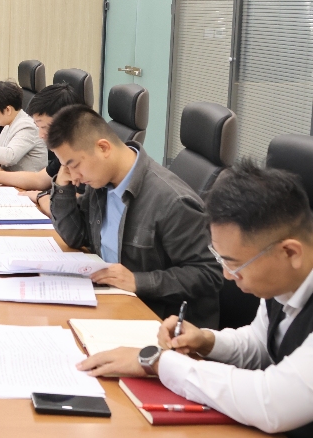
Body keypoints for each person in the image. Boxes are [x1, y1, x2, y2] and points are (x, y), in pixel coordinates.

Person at [78, 162, 313, 436]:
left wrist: (157, 362)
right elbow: (261, 344)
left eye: (235, 264)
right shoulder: (284, 282)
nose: (227, 275)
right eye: (222, 260)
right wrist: (206, 341)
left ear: (290, 253)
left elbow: (270, 403)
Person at [47, 104, 222, 326]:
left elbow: (209, 274)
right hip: (112, 302)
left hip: (157, 321)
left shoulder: (172, 201)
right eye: (66, 168)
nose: (74, 177)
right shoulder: (101, 182)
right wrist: (63, 187)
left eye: (74, 165)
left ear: (103, 148)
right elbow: (76, 236)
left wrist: (138, 281)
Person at [0, 84, 79, 214]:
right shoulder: (64, 155)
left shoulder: (80, 157)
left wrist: (41, 196)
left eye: (44, 127)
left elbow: (66, 211)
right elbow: (39, 179)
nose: (40, 135)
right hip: (28, 189)